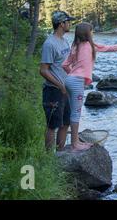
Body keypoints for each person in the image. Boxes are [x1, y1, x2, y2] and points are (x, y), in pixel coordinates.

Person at [62, 22, 117, 151]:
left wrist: (72, 75)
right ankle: (75, 144)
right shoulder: (90, 45)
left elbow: (64, 65)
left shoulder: (75, 46)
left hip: (69, 80)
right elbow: (110, 48)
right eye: (91, 31)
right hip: (76, 82)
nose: (92, 33)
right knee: (76, 113)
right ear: (87, 33)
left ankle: (70, 143)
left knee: (71, 112)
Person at [39, 11, 76, 151]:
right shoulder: (50, 44)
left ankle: (60, 156)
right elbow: (43, 70)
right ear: (61, 24)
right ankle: (49, 158)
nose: (70, 24)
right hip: (53, 91)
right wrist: (60, 85)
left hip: (66, 90)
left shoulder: (64, 41)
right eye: (68, 21)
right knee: (52, 126)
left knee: (65, 123)